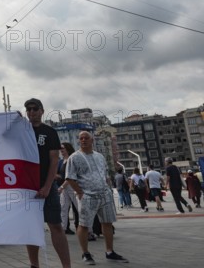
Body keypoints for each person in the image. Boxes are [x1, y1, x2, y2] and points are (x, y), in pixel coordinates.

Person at [65, 131, 128, 264]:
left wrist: (108, 188)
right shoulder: (74, 157)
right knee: (84, 224)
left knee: (107, 222)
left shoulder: (100, 156)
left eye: (86, 138)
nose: (83, 140)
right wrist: (80, 193)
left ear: (92, 140)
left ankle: (110, 251)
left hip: (104, 194)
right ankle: (85, 253)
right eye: (81, 138)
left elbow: (104, 173)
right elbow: (70, 177)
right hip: (87, 195)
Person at [23, 98, 71, 268]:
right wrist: (13, 120)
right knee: (32, 227)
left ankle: (67, 265)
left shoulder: (49, 132)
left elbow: (54, 159)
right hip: (27, 187)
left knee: (55, 225)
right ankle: (34, 264)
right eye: (28, 109)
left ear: (42, 111)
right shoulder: (21, 130)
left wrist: (47, 186)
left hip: (46, 185)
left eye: (35, 109)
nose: (31, 112)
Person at [57, 142, 78, 235]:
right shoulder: (61, 161)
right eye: (60, 148)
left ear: (68, 149)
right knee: (63, 207)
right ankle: (63, 228)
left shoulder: (72, 159)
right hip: (64, 187)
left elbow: (70, 176)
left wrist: (62, 187)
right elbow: (60, 174)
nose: (61, 150)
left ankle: (88, 229)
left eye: (63, 148)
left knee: (79, 207)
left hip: (72, 186)